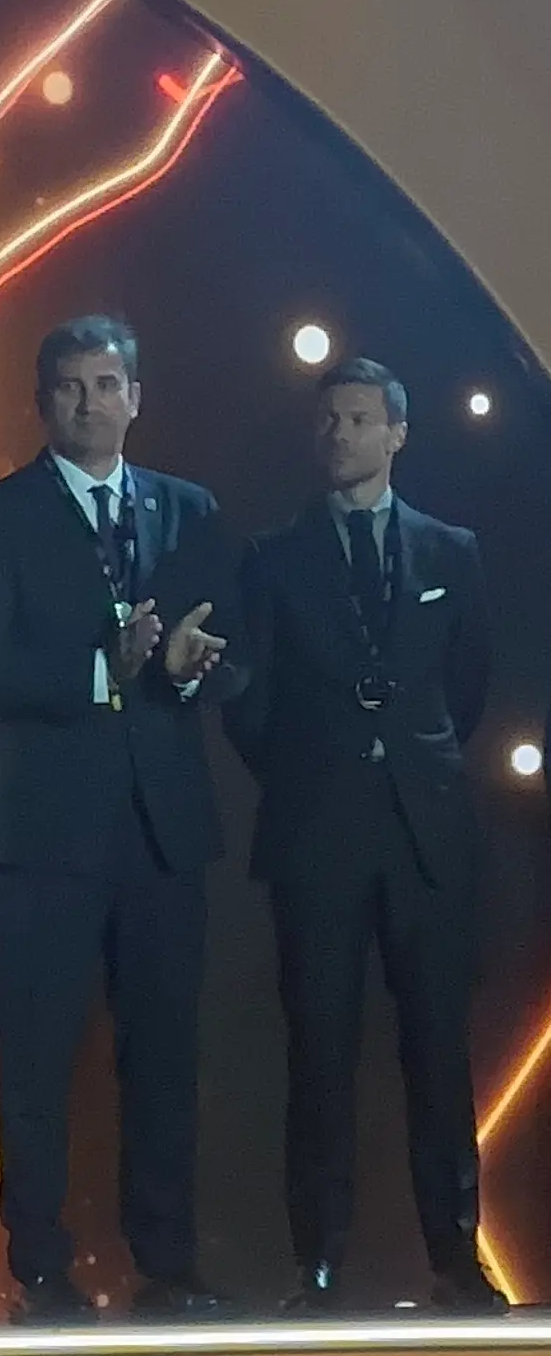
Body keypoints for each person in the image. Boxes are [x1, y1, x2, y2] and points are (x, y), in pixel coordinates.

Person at [0, 315, 235, 1322]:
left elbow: (229, 657)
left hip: (162, 832)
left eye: (106, 384)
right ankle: (41, 1266)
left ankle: (169, 1262)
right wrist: (100, 670)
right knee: (36, 1059)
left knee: (163, 1056)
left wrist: (190, 671)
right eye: (70, 386)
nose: (89, 402)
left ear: (135, 397)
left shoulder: (190, 509)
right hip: (42, 835)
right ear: (43, 402)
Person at [232, 358, 504, 1314]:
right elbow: (251, 704)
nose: (339, 434)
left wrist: (407, 759)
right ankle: (318, 1263)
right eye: (329, 420)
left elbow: (467, 684)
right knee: (319, 1054)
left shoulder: (450, 550)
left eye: (357, 419)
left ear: (397, 433)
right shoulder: (273, 557)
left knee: (438, 1052)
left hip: (424, 835)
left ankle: (456, 1257)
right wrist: (321, 770)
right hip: (318, 833)